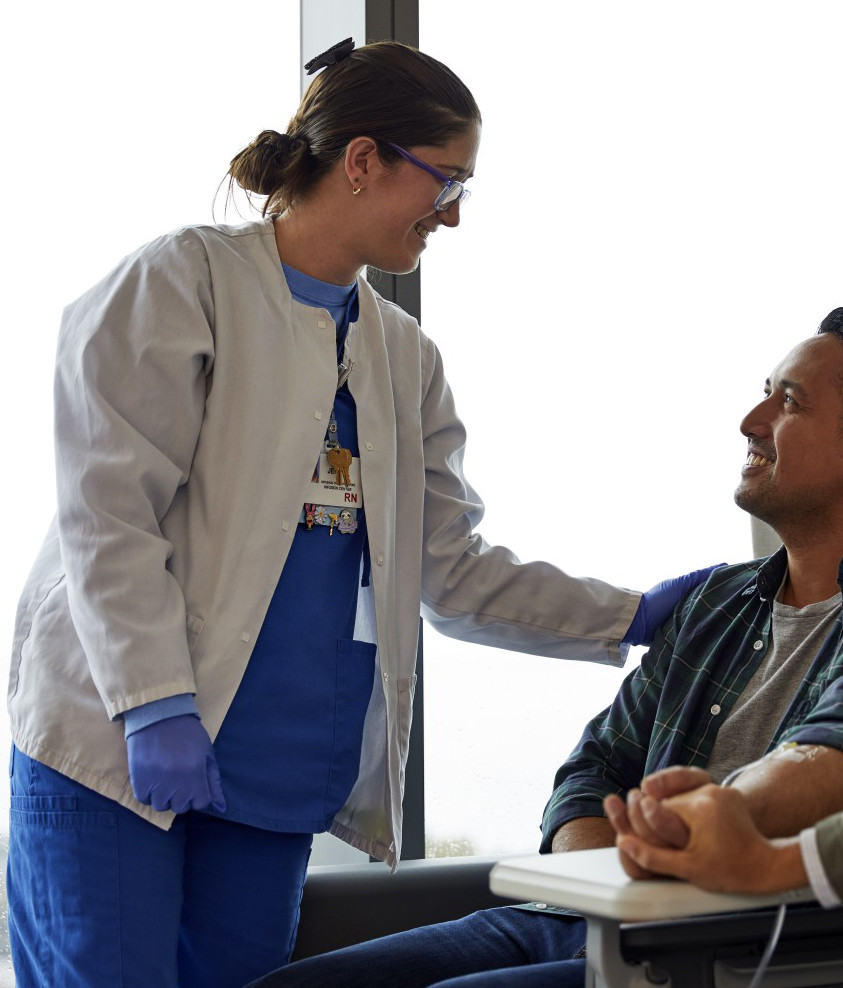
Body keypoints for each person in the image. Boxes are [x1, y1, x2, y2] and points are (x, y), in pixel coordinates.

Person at [4, 38, 706, 988]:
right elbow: (107, 514)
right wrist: (153, 702)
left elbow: (448, 570)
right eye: (445, 180)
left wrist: (632, 616)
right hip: (118, 744)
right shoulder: (183, 282)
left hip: (273, 767)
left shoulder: (403, 360)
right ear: (364, 159)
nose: (453, 215)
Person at [247, 308, 843, 988]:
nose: (750, 419)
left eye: (788, 400)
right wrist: (613, 888)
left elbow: (826, 755)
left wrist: (694, 841)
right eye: (764, 389)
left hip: (732, 942)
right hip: (576, 916)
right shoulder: (714, 602)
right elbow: (590, 772)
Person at [609, 759, 843, 906]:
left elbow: (829, 739)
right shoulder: (664, 678)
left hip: (714, 929)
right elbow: (591, 766)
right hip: (599, 913)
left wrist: (770, 864)